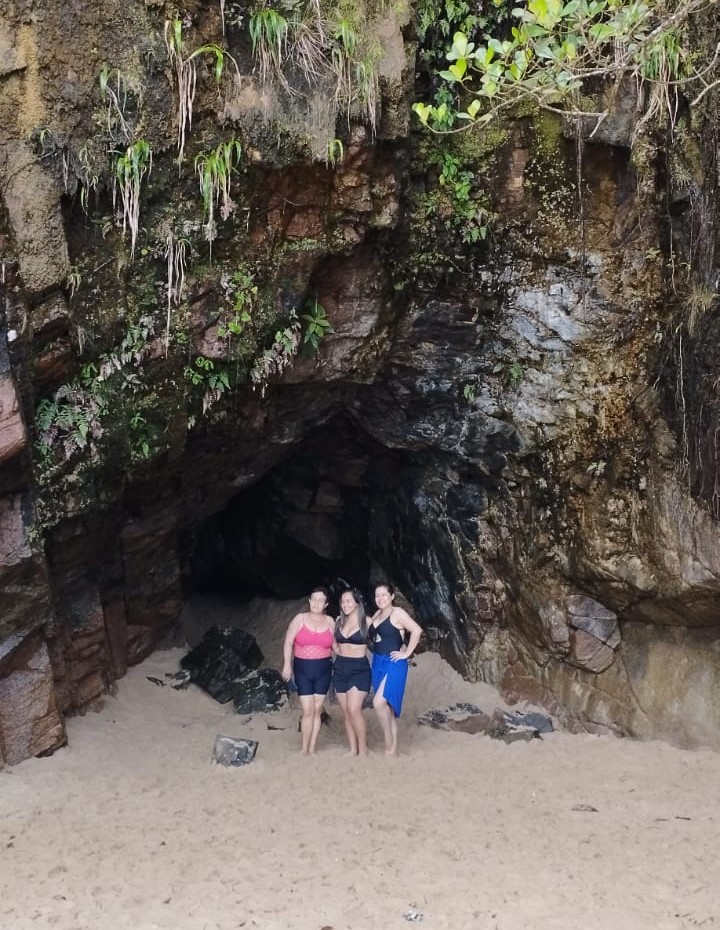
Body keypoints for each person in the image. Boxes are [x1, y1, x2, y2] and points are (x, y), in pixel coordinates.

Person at [368, 582, 422, 756]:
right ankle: (393, 751)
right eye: (377, 595)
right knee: (388, 708)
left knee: (378, 702)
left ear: (392, 596)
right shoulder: (377, 614)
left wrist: (406, 654)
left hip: (393, 663)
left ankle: (388, 742)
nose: (380, 598)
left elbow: (416, 630)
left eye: (384, 595)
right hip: (378, 663)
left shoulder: (397, 612)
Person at [281, 587, 335, 755]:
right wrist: (287, 665)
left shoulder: (331, 622)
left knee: (318, 709)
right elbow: (288, 642)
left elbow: (336, 646)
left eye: (321, 600)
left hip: (324, 669)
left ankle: (312, 748)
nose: (317, 603)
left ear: (326, 603)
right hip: (303, 668)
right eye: (314, 599)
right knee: (307, 710)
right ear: (309, 601)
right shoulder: (300, 619)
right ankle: (304, 748)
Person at [333, 587, 371, 757]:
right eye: (342, 601)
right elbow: (334, 644)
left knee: (354, 709)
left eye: (349, 600)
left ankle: (363, 750)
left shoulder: (367, 622)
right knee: (347, 712)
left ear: (357, 602)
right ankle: (352, 749)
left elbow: (387, 632)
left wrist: (402, 648)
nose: (345, 604)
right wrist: (337, 650)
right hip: (340, 667)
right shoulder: (339, 621)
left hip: (359, 669)